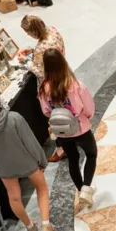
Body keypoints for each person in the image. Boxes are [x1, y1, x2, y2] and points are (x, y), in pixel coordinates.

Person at [0, 83, 53, 231]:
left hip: (3, 167)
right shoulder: (14, 118)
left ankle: (29, 226)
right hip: (25, 161)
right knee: (42, 188)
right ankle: (46, 225)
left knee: (14, 198)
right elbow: (30, 143)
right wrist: (41, 160)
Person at [38, 50, 98, 209]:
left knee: (72, 159)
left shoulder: (43, 90)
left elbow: (46, 111)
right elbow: (89, 108)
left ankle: (80, 189)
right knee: (91, 155)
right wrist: (85, 118)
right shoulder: (76, 86)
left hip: (62, 132)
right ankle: (86, 189)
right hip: (81, 127)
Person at [20, 15, 66, 79]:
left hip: (55, 78)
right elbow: (51, 48)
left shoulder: (40, 48)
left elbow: (40, 73)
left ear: (33, 32)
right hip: (64, 67)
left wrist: (26, 60)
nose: (28, 34)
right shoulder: (52, 30)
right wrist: (33, 51)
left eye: (28, 33)